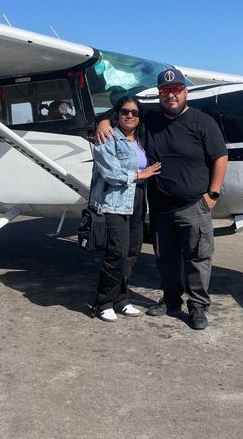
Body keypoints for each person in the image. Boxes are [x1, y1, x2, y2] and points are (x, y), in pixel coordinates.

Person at [96, 69, 228, 330]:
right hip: (159, 208)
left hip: (193, 205)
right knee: (165, 258)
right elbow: (124, 117)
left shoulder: (202, 122)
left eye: (176, 89)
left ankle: (198, 306)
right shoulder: (151, 120)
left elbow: (220, 157)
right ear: (159, 95)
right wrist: (103, 122)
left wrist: (212, 194)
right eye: (165, 91)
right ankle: (171, 299)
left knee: (198, 258)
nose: (171, 95)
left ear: (185, 92)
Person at [91, 96, 161, 322]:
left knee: (131, 253)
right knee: (117, 254)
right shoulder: (108, 137)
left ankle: (121, 299)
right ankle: (103, 303)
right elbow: (109, 172)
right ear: (117, 114)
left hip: (138, 199)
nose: (130, 115)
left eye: (135, 112)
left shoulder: (141, 140)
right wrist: (141, 175)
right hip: (115, 201)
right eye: (125, 111)